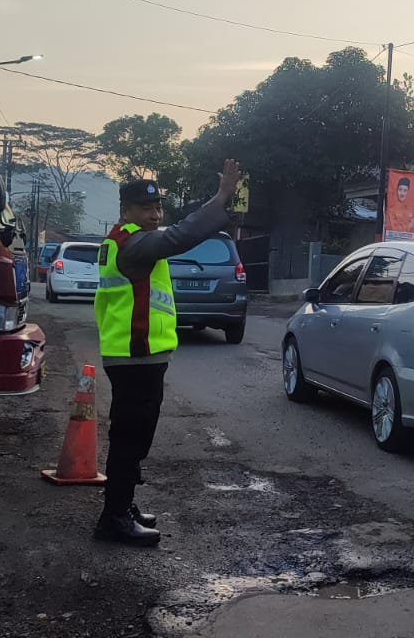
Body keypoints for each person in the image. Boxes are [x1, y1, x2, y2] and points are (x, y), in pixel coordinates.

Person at [92, 160, 241, 547]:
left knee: (135, 436)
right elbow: (180, 237)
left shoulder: (125, 240)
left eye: (158, 208)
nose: (155, 216)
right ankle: (114, 518)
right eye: (146, 209)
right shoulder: (133, 243)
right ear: (126, 210)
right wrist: (221, 197)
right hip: (135, 356)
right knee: (130, 439)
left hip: (138, 355)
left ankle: (123, 506)